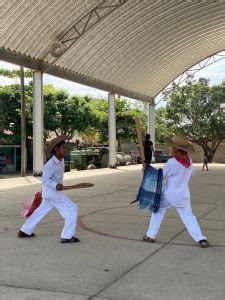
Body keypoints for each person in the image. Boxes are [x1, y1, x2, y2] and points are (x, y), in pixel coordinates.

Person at [143, 134, 209, 248]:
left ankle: (150, 235)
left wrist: (147, 169)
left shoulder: (172, 162)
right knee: (189, 216)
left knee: (157, 211)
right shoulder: (189, 161)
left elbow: (160, 176)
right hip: (183, 195)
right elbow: (191, 173)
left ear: (175, 149)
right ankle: (201, 239)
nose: (169, 148)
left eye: (170, 146)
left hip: (170, 194)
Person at [18, 136, 80, 243]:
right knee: (72, 209)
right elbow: (45, 180)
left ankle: (24, 230)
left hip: (49, 194)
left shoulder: (61, 160)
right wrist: (56, 185)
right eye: (63, 147)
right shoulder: (50, 164)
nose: (66, 149)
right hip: (53, 193)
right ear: (56, 149)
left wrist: (57, 185)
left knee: (40, 211)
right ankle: (67, 236)